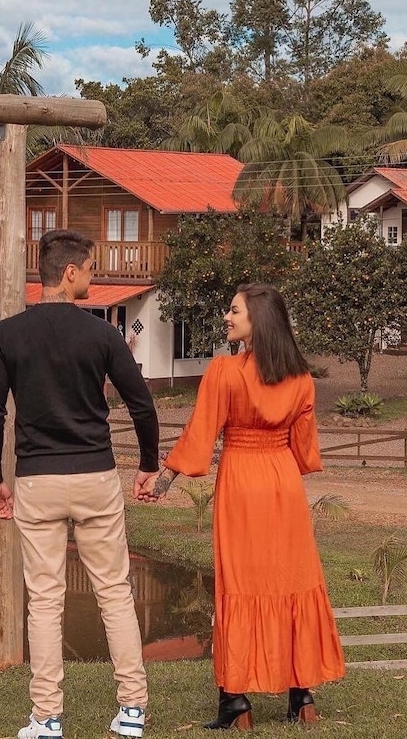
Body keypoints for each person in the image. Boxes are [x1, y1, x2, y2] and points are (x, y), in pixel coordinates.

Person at [0, 229, 160, 739]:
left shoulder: (6, 336)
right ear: (70, 273)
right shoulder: (102, 335)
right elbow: (141, 403)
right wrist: (148, 464)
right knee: (115, 594)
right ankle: (131, 711)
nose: (95, 276)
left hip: (37, 481)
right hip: (96, 477)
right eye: (91, 267)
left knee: (46, 600)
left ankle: (47, 717)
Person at [152, 283, 345, 730]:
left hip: (241, 482)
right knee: (291, 580)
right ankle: (302, 696)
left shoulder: (225, 372)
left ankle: (236, 700)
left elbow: (201, 433)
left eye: (234, 310)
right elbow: (304, 449)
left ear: (258, 319)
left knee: (240, 586)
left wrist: (164, 479)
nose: (226, 316)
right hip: (284, 485)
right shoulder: (300, 379)